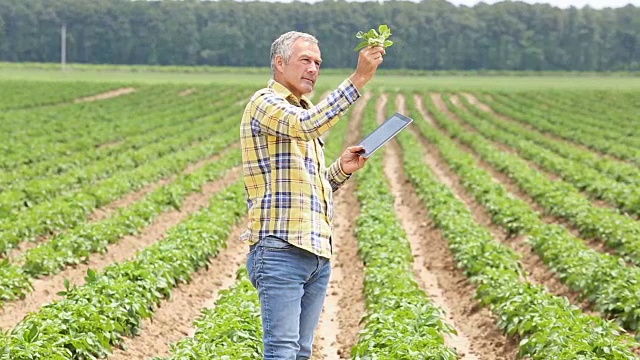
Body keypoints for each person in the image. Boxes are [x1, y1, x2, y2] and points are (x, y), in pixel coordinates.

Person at [240, 30, 385, 360]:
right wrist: (360, 77)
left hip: (316, 252)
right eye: (305, 60)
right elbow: (307, 125)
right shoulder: (265, 103)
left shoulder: (303, 111)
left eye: (318, 62)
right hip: (281, 249)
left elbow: (312, 188)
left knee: (301, 352)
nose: (313, 69)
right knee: (282, 351)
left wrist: (342, 169)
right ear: (279, 63)